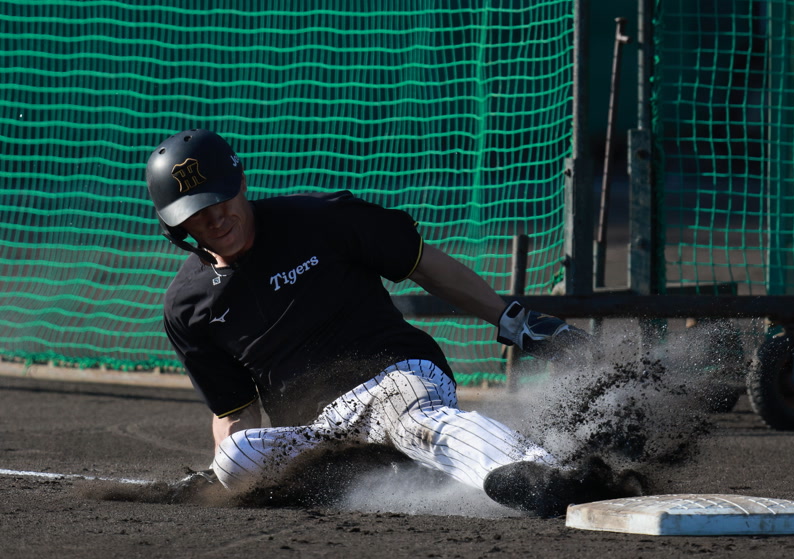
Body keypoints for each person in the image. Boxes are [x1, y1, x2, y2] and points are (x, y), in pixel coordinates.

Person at [146, 128, 641, 517]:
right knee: (236, 457)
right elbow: (234, 410)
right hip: (323, 433)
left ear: (241, 183)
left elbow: (424, 264)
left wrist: (513, 320)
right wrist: (228, 476)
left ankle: (551, 474)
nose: (215, 220)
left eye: (220, 201)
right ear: (176, 225)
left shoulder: (320, 219)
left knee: (414, 423)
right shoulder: (187, 306)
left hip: (396, 377)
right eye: (197, 213)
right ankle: (405, 471)